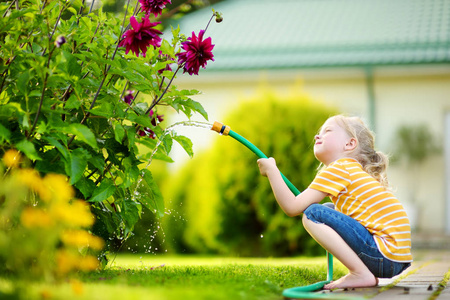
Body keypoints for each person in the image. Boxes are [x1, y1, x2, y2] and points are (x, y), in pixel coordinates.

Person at [257, 115, 412, 290]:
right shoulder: (353, 171)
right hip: (396, 259)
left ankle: (360, 274)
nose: (317, 136)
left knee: (313, 213)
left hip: (383, 256)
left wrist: (272, 171)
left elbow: (292, 207)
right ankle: (364, 274)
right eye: (319, 132)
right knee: (328, 209)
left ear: (350, 144)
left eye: (327, 131)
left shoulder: (340, 168)